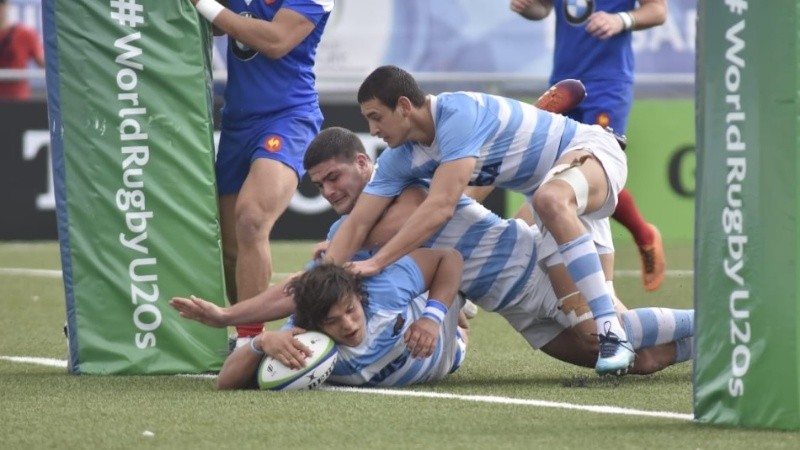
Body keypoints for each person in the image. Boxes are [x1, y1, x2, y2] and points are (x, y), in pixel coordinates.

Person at [173, 127, 693, 377]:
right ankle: (711, 346)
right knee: (638, 363)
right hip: (514, 309)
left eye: (334, 178)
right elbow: (300, 292)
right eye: (320, 185)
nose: (328, 191)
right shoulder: (345, 233)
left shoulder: (409, 180)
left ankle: (727, 320)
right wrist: (228, 317)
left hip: (538, 269)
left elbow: (468, 176)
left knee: (612, 335)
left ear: (364, 163)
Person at [321, 66, 635, 376]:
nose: (373, 130)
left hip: (586, 153)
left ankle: (610, 330)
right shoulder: (400, 158)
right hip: (545, 199)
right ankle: (622, 330)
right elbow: (357, 224)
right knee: (605, 341)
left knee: (550, 200)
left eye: (376, 117)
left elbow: (440, 207)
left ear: (403, 106)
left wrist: (376, 262)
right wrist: (318, 285)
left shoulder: (457, 115)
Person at [187, 0, 333, 345]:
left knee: (252, 220)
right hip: (236, 122)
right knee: (231, 249)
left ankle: (248, 341)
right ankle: (249, 333)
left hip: (288, 117)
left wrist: (202, 2)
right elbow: (218, 24)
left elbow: (275, 41)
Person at [509, 0, 668, 292]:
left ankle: (640, 238)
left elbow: (658, 10)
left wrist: (621, 20)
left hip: (608, 83)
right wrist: (527, 7)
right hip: (564, 82)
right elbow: (542, 8)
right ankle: (574, 275)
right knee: (558, 172)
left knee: (595, 166)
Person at [215, 247, 469, 389]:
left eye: (350, 310)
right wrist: (260, 342)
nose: (347, 324)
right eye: (331, 321)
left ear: (359, 296)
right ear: (314, 324)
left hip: (447, 346)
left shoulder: (386, 291)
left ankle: (457, 307)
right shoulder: (302, 339)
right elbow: (225, 383)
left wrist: (432, 318)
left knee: (456, 300)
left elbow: (449, 257)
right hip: (435, 364)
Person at [0, 0, 45, 100]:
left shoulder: (25, 33)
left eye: (1, 3)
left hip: (18, 102)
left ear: (7, 5)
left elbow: (43, 63)